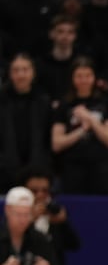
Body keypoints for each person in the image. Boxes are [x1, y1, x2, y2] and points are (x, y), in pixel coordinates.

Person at [51, 56, 108, 195]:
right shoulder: (64, 105)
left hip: (101, 166)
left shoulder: (105, 103)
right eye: (79, 76)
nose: (84, 80)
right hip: (73, 166)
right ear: (72, 78)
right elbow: (57, 144)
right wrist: (82, 130)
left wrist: (90, 119)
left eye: (88, 75)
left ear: (94, 77)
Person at [0, 54, 53, 193]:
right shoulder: (2, 100)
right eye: (16, 70)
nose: (21, 74)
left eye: (25, 69)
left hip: (37, 171)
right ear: (10, 73)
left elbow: (48, 137)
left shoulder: (43, 101)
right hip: (4, 169)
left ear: (33, 73)